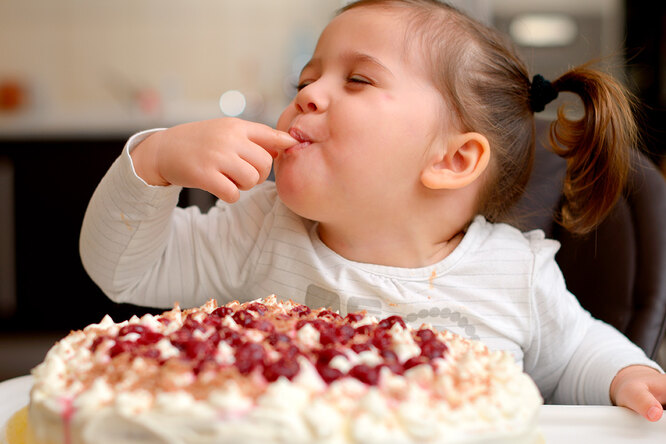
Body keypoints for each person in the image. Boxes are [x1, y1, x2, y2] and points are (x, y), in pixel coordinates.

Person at [80, 0, 666, 421]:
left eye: (357, 79)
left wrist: (630, 376)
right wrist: (153, 160)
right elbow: (125, 269)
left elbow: (580, 351)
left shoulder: (515, 275)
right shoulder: (260, 230)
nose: (306, 95)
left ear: (454, 159)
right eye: (304, 78)